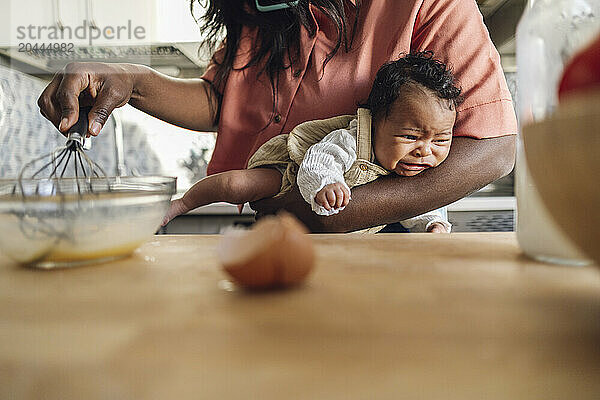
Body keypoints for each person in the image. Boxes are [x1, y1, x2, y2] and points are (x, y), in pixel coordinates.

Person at [37, 0, 517, 233]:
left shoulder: (426, 5)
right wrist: (132, 80)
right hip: (274, 228)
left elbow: (494, 149)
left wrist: (336, 212)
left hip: (375, 235)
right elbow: (222, 101)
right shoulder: (263, 11)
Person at [162, 52, 459, 233]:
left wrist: (432, 224)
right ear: (376, 120)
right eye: (410, 136)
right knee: (235, 187)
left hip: (330, 235)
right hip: (291, 172)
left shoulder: (416, 168)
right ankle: (181, 203)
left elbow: (419, 207)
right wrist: (325, 184)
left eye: (441, 140)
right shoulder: (352, 139)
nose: (425, 150)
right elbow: (320, 159)